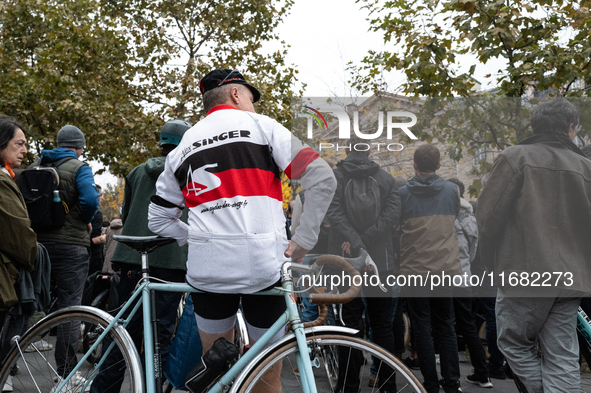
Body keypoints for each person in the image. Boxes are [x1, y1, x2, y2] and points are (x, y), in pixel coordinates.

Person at [148, 68, 336, 392]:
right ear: (236, 93)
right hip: (264, 268)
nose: (253, 104)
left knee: (218, 372)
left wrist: (195, 239)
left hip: (209, 274)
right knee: (266, 376)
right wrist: (303, 239)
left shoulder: (182, 147)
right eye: (251, 97)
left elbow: (158, 219)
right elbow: (322, 177)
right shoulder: (263, 127)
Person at [477, 98, 591, 393]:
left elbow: (487, 217)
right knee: (563, 355)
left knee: (513, 343)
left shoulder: (516, 157)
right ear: (569, 128)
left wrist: (487, 261)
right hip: (571, 278)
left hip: (524, 271)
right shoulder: (585, 167)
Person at [90, 119, 192, 393]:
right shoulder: (187, 172)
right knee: (159, 335)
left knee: (122, 332)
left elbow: (125, 214)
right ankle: (152, 388)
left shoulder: (136, 172)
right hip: (169, 259)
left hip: (130, 259)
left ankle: (102, 390)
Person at [325, 138, 400, 393]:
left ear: (347, 150)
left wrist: (355, 242)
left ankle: (348, 386)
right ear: (369, 150)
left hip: (344, 260)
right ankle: (388, 384)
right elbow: (392, 216)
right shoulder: (388, 180)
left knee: (348, 325)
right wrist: (366, 241)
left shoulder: (334, 178)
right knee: (382, 325)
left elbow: (333, 213)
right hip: (381, 262)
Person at [32, 124, 99, 390]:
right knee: (70, 309)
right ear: (79, 146)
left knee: (26, 304)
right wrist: (84, 220)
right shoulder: (79, 167)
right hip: (71, 246)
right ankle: (66, 376)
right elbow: (91, 201)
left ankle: (9, 369)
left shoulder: (38, 167)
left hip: (38, 245)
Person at [398, 144, 462, 393]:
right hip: (444, 269)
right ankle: (452, 382)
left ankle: (430, 383)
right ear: (438, 165)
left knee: (421, 327)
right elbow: (454, 218)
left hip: (414, 270)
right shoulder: (452, 191)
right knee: (446, 325)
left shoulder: (402, 194)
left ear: (414, 165)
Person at [0, 116, 38, 392]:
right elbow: (19, 232)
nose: (25, 150)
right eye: (19, 143)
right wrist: (34, 257)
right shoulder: (2, 182)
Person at [447, 178, 492, 388]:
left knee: (446, 326)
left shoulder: (445, 216)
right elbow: (474, 250)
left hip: (445, 276)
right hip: (464, 276)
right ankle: (482, 373)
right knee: (468, 326)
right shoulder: (470, 218)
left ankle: (451, 378)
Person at [88, 184, 106, 276]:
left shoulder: (83, 212)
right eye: (101, 195)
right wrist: (106, 237)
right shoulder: (97, 214)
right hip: (94, 257)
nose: (102, 198)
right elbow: (95, 239)